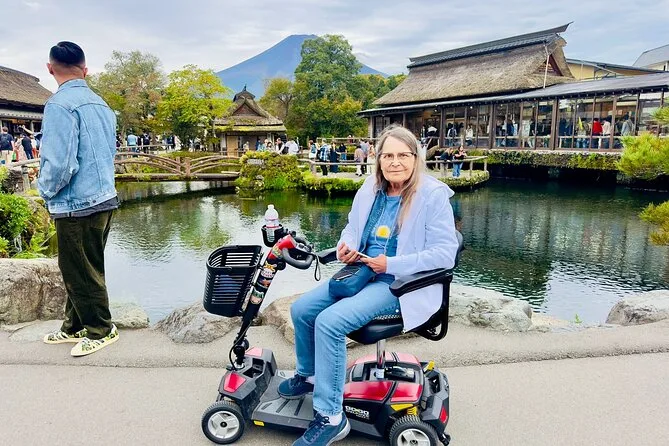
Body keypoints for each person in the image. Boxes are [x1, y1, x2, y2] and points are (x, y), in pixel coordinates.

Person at [279, 124, 460, 446]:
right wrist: (345, 247)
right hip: (361, 270)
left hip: (399, 282)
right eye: (387, 156)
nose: (395, 162)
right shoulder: (370, 188)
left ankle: (331, 417)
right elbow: (352, 227)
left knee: (330, 322)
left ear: (415, 157)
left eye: (403, 155)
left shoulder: (432, 196)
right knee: (302, 309)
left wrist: (391, 264)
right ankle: (309, 375)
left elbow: (445, 254)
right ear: (378, 159)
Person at [39, 41, 120, 357]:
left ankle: (101, 329)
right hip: (104, 197)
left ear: (50, 68)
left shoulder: (59, 105)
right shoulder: (101, 104)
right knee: (84, 267)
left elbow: (60, 164)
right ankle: (73, 326)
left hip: (76, 202)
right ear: (85, 70)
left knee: (79, 270)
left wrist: (45, 190)